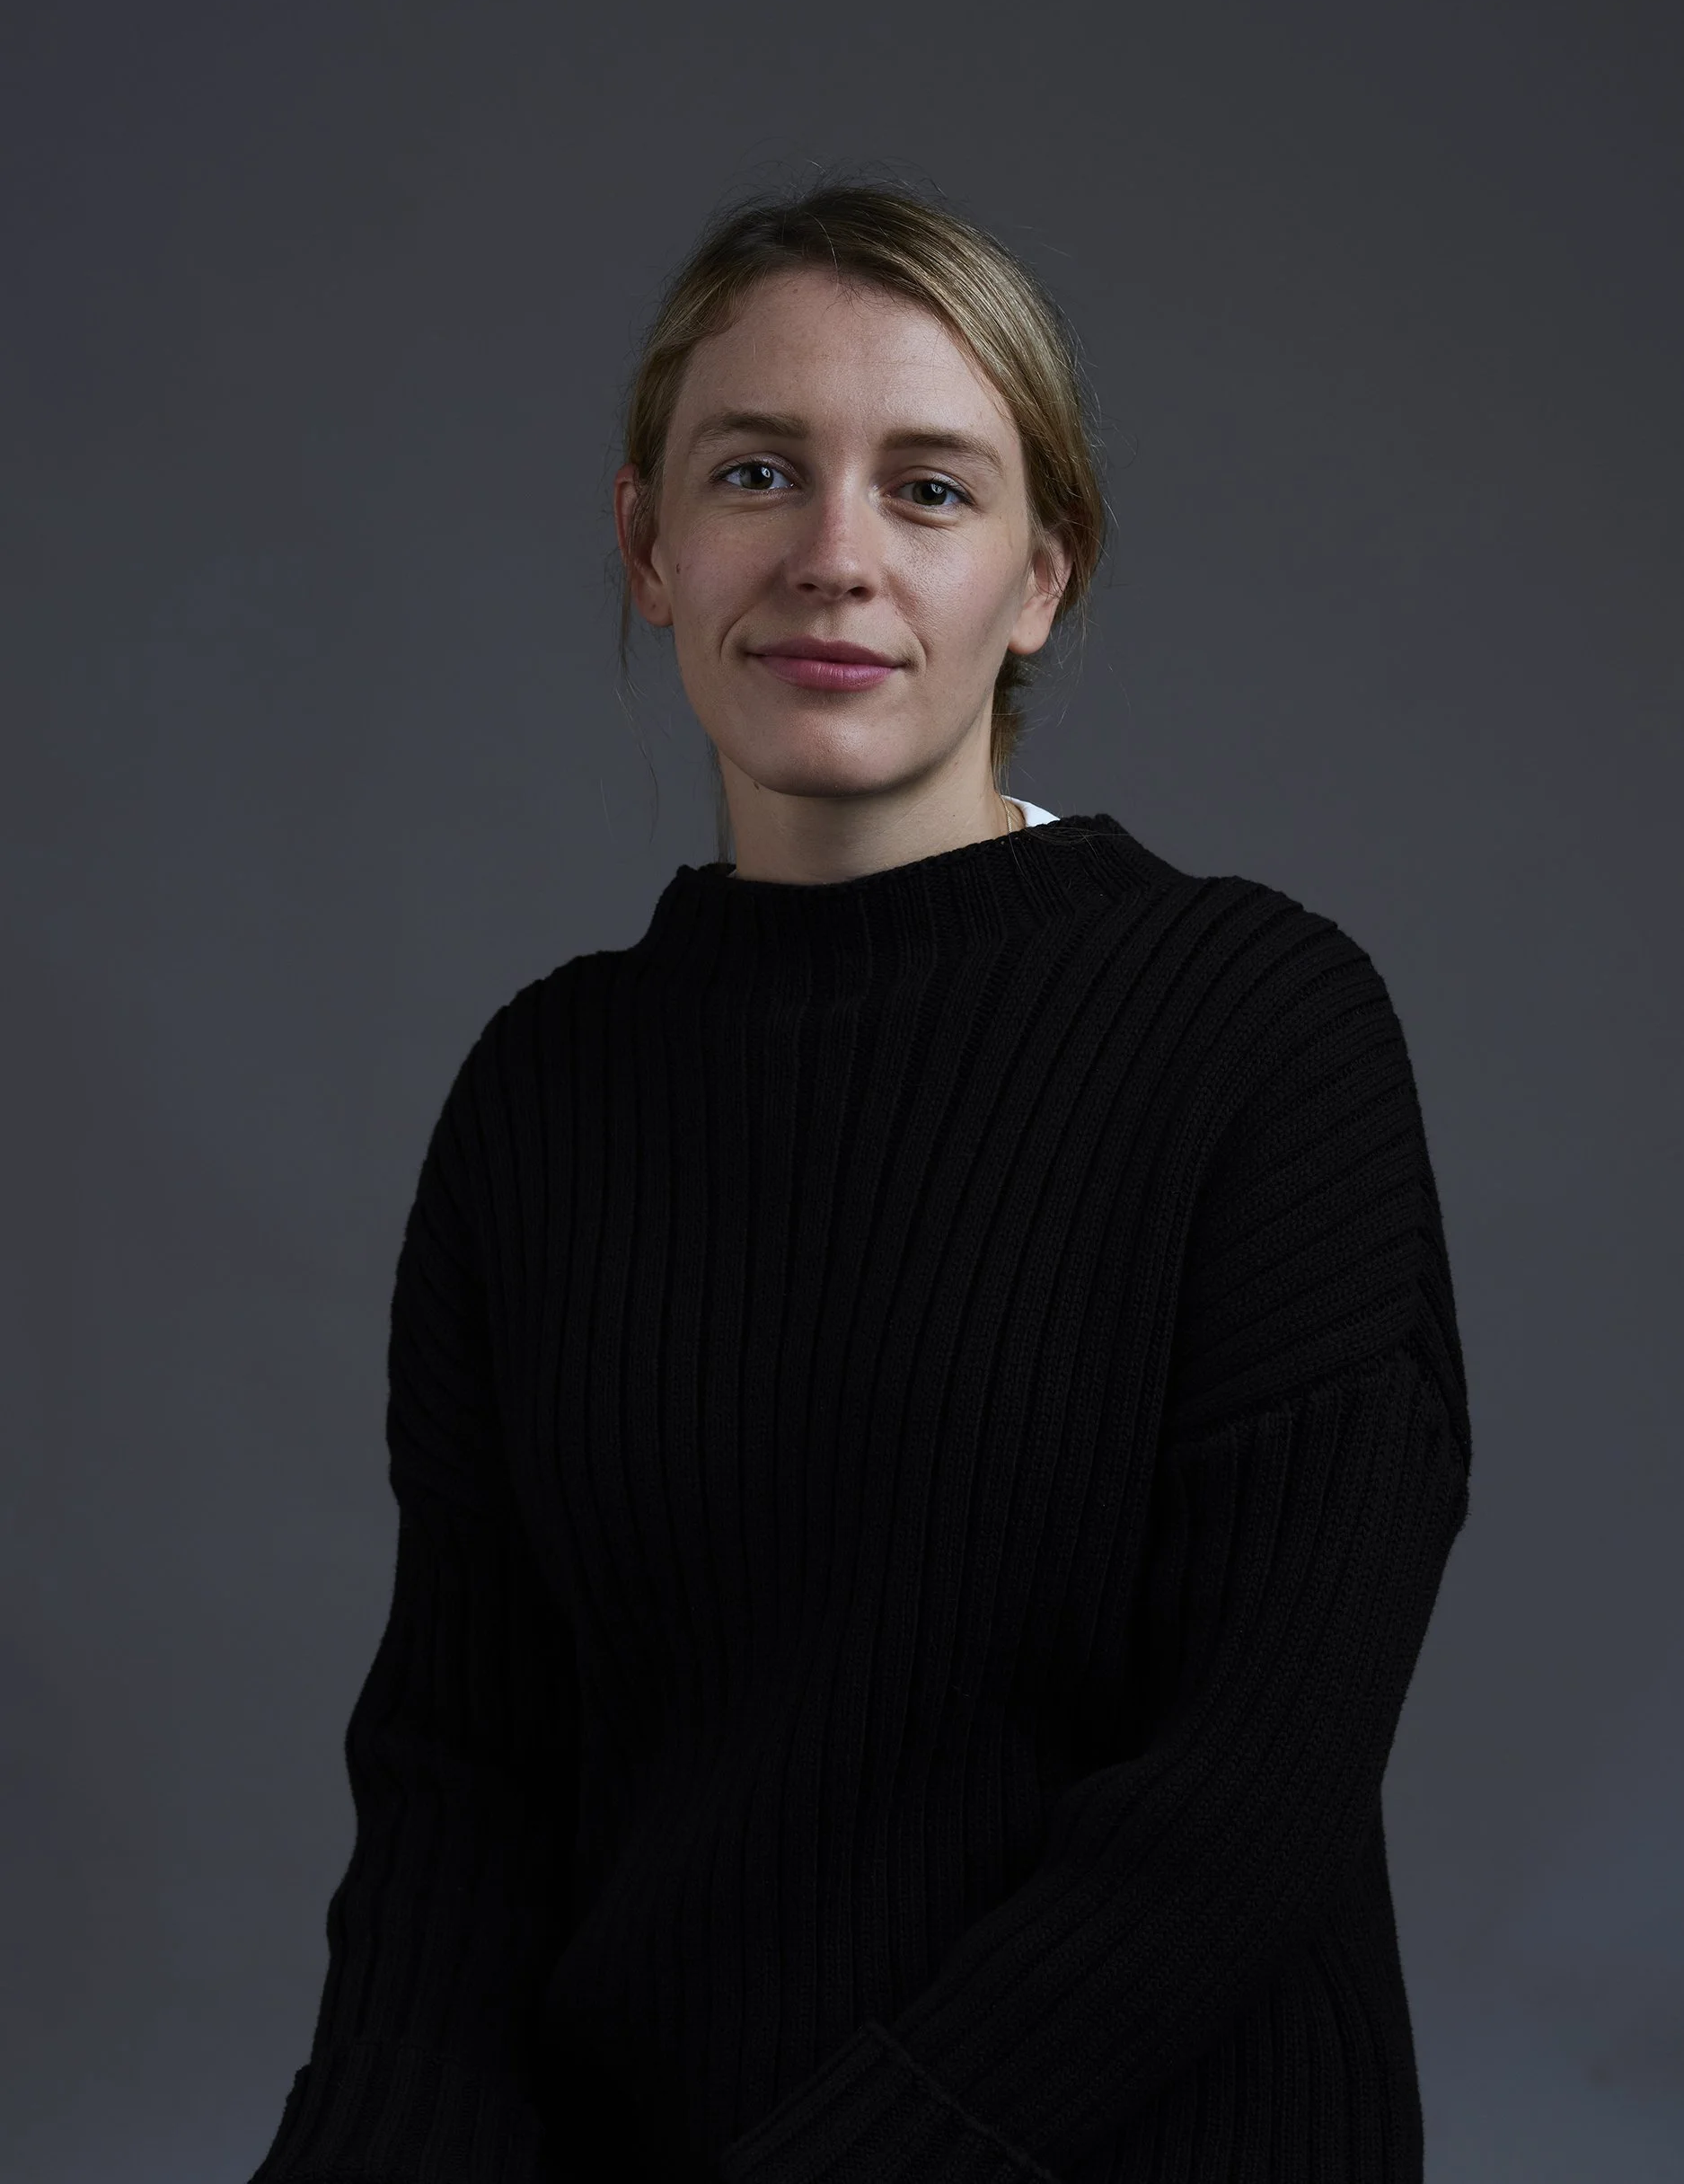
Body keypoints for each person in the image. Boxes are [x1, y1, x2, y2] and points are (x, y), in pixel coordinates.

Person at [248, 180, 1472, 2184]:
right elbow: (463, 1799)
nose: (833, 557)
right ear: (647, 543)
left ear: (1043, 576)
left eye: (928, 488)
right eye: (755, 470)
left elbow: (1241, 1797)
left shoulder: (1262, 1030)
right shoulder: (541, 1094)